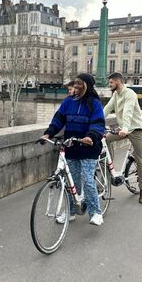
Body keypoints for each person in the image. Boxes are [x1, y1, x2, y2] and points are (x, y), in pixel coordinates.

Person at [42, 73, 105, 226]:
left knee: (88, 179)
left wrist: (90, 136)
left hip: (88, 147)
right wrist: (49, 133)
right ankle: (70, 211)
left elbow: (98, 123)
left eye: (79, 84)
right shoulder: (68, 102)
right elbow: (59, 119)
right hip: (71, 146)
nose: (76, 86)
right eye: (75, 83)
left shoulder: (94, 103)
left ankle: (96, 212)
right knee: (71, 182)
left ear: (87, 86)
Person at [103, 72, 142, 204]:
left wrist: (125, 128)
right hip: (124, 129)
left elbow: (127, 111)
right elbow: (107, 109)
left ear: (118, 82)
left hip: (136, 129)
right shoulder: (116, 94)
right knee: (106, 139)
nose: (109, 85)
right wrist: (95, 121)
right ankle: (110, 168)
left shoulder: (130, 94)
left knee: (139, 159)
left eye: (111, 82)